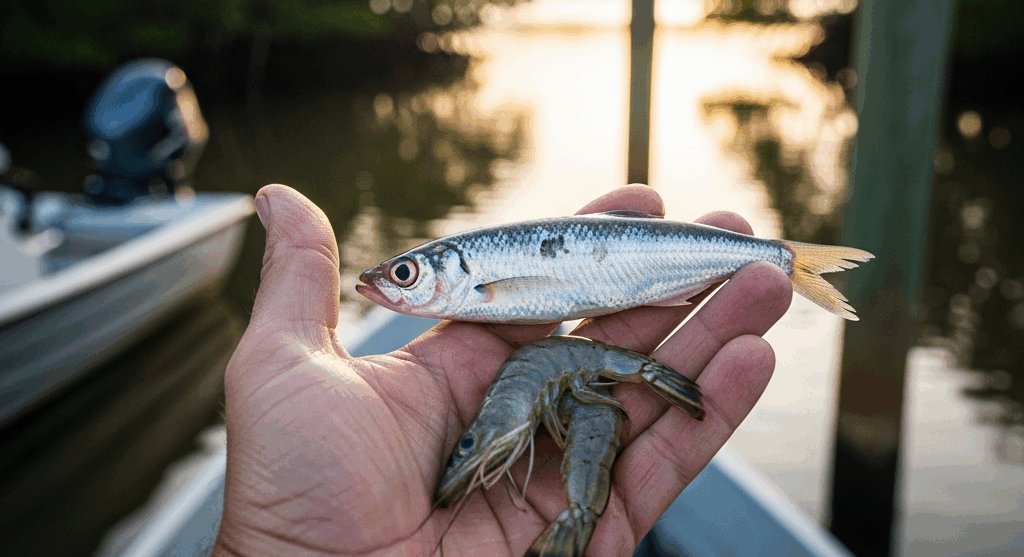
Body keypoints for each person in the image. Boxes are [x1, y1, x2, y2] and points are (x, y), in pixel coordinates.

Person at [212, 184, 792, 557]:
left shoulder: (478, 279)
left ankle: (787, 261)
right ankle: (782, 261)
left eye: (406, 275)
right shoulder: (472, 286)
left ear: (460, 271)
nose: (388, 287)